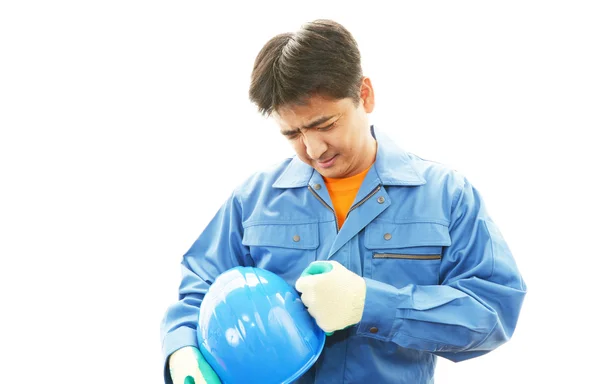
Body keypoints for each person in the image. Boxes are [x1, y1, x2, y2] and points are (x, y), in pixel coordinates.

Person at [160, 19, 527, 384]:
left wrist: (371, 304)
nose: (313, 149)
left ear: (364, 94)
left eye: (325, 124)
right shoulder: (254, 199)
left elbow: (492, 310)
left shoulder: (446, 195)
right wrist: (182, 347)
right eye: (293, 134)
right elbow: (202, 284)